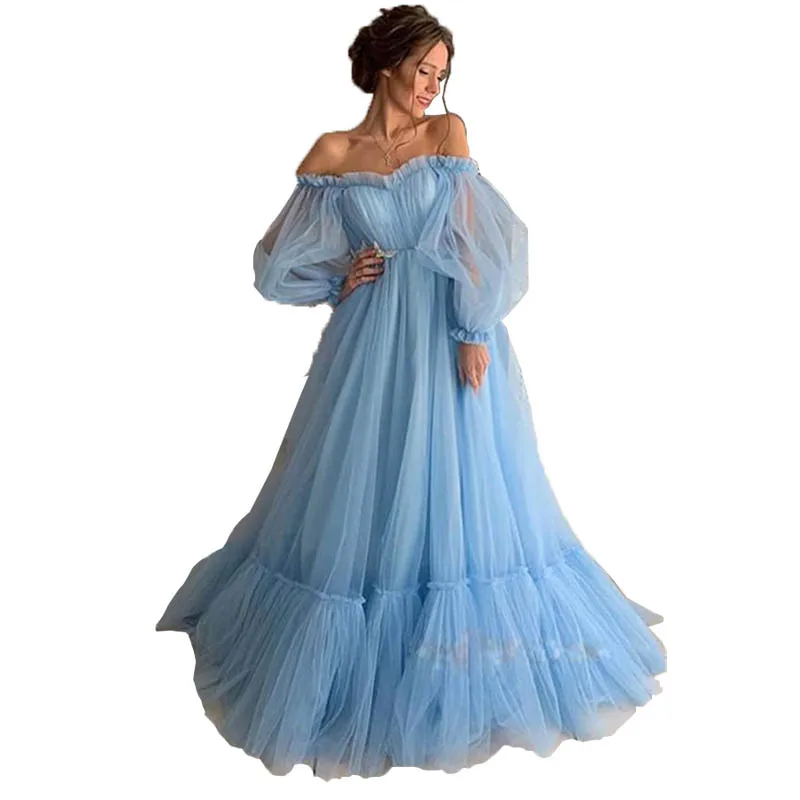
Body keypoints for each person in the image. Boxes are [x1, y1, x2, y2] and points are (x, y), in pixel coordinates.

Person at [155, 4, 667, 782]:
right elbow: (274, 262)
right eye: (422, 70)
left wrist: (472, 328)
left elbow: (481, 238)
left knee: (464, 482)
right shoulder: (332, 153)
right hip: (368, 343)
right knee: (368, 478)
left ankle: (462, 655)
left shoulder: (447, 135)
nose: (432, 86)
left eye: (441, 74)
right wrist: (339, 274)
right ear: (388, 63)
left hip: (446, 329)